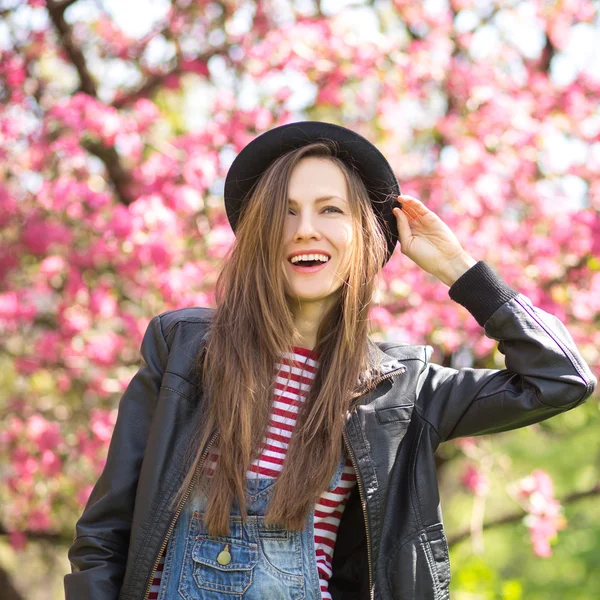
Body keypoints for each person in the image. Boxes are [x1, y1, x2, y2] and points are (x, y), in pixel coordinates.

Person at [64, 121, 597, 600]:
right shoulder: (183, 349)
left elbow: (559, 377)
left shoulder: (400, 389)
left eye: (330, 210)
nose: (305, 229)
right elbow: (104, 537)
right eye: (286, 211)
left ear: (363, 236)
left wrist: (460, 269)